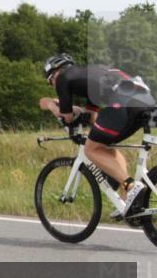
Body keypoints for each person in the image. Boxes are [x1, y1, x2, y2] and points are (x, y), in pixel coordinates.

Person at [40, 54, 155, 219]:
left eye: (49, 80)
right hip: (144, 99)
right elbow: (93, 116)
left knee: (90, 150)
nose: (52, 84)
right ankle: (127, 200)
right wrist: (84, 116)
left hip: (123, 99)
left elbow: (67, 117)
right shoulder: (92, 75)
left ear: (54, 73)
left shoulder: (62, 78)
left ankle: (131, 186)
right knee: (105, 145)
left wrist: (51, 105)